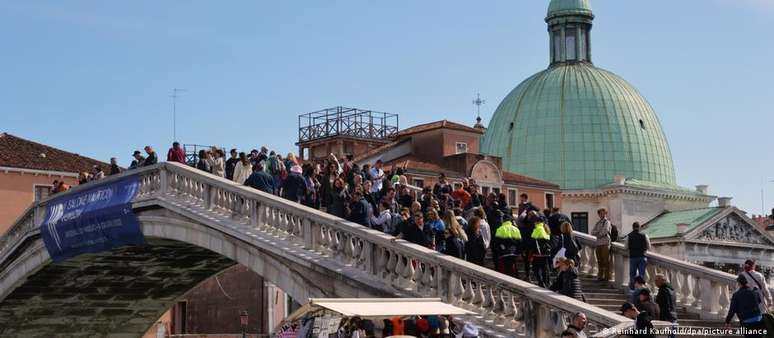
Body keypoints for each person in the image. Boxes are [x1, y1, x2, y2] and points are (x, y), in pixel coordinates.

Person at [627, 222, 651, 290]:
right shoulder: (644, 235)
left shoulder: (629, 236)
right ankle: (641, 289)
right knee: (641, 274)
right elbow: (649, 246)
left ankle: (632, 289)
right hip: (642, 257)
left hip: (633, 257)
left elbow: (626, 247)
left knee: (632, 275)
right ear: (639, 227)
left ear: (632, 227)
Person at [591, 208, 612, 281]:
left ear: (606, 214)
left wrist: (598, 233)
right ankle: (600, 276)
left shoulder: (607, 222)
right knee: (599, 261)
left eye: (603, 213)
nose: (602, 214)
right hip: (598, 243)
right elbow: (592, 232)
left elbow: (605, 231)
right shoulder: (598, 223)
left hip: (605, 243)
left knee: (606, 260)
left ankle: (607, 277)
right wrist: (599, 232)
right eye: (600, 213)